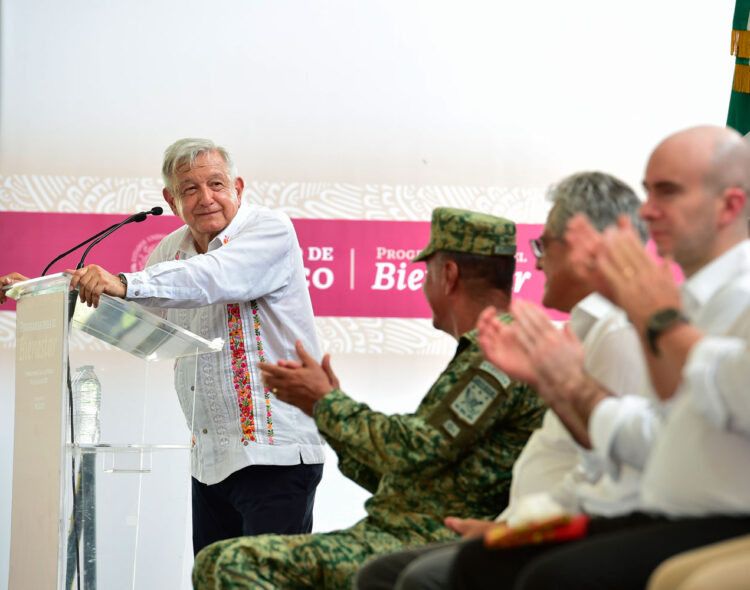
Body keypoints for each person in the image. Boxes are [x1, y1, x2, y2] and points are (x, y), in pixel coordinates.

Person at [446, 125, 750, 590]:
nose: (647, 211)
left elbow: (728, 396)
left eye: (667, 192)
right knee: (480, 565)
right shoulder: (682, 302)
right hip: (654, 514)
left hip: (709, 522)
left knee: (538, 577)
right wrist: (561, 383)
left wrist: (659, 323)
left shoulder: (715, 301)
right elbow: (655, 436)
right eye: (647, 192)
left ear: (730, 205)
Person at [0, 138, 328, 554]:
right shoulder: (170, 250)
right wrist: (36, 292)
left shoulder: (269, 230)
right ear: (171, 201)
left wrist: (124, 281)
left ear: (238, 188)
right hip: (211, 462)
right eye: (190, 189)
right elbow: (137, 321)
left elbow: (210, 278)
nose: (205, 198)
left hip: (274, 455)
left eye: (216, 184)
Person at [190, 207, 546, 590]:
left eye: (426, 273)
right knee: (217, 561)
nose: (425, 285)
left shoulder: (498, 353)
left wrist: (326, 403)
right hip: (406, 529)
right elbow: (397, 475)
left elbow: (416, 448)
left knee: (235, 565)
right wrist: (324, 406)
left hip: (425, 539)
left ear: (448, 275)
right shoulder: (493, 347)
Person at [354, 171, 651, 590]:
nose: (538, 261)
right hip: (533, 524)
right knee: (384, 573)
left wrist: (515, 531)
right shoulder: (585, 331)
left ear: (588, 245)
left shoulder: (617, 334)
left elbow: (611, 475)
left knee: (414, 579)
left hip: (568, 534)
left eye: (545, 244)